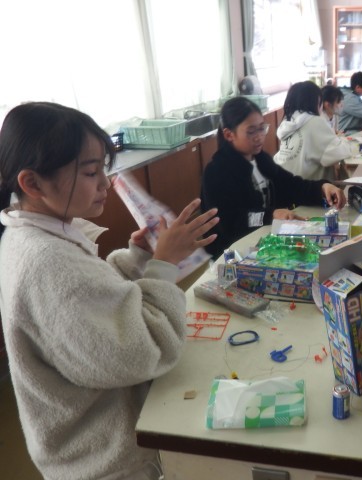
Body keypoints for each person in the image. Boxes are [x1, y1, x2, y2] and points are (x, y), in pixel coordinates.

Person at [0, 102, 220, 479]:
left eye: (103, 167)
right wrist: (164, 265)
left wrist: (137, 258)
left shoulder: (28, 234)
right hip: (108, 463)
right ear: (32, 183)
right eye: (90, 172)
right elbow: (143, 350)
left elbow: (92, 298)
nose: (105, 182)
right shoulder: (47, 262)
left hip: (90, 445)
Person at [201, 96, 346, 259]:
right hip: (234, 254)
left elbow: (291, 185)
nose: (259, 136)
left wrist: (322, 188)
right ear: (229, 134)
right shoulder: (216, 171)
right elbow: (230, 222)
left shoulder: (261, 159)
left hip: (268, 242)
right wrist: (271, 215)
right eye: (251, 131)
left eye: (261, 128)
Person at [274, 81, 353, 181]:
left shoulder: (288, 120)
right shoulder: (315, 121)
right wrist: (345, 142)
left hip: (282, 179)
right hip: (306, 185)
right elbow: (337, 153)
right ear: (315, 101)